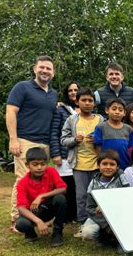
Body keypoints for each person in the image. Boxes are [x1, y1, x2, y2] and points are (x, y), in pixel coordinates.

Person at [6, 55, 58, 232]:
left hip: (45, 144)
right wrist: (13, 139)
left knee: (41, 180)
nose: (45, 71)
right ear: (34, 69)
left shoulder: (53, 93)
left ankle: (36, 216)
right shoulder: (22, 87)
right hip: (24, 140)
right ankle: (16, 219)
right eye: (41, 67)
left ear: (53, 72)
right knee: (23, 179)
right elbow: (11, 111)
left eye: (48, 68)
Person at [61, 88, 104, 235]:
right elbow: (63, 140)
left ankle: (99, 221)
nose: (87, 103)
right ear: (77, 102)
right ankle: (82, 222)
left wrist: (98, 140)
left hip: (98, 164)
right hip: (78, 164)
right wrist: (74, 140)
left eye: (90, 100)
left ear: (94, 103)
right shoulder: (72, 120)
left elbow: (107, 137)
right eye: (83, 100)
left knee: (98, 194)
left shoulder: (100, 119)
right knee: (81, 196)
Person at [15, 147, 67, 247]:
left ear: (47, 164)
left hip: (48, 209)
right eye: (35, 164)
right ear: (27, 165)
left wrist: (41, 196)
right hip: (33, 212)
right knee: (21, 224)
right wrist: (38, 221)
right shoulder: (22, 183)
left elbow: (63, 188)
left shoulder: (51, 171)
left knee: (60, 198)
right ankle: (30, 233)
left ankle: (57, 232)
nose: (39, 167)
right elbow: (21, 207)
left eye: (43, 164)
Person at [82, 151, 129, 250]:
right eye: (104, 164)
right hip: (100, 217)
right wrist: (106, 224)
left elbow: (127, 198)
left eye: (112, 164)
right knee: (87, 232)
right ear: (98, 165)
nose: (108, 167)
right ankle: (104, 238)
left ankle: (120, 240)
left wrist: (106, 205)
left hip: (118, 215)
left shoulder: (121, 178)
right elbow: (89, 208)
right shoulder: (93, 184)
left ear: (117, 167)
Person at [50, 81, 80, 223]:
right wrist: (55, 153)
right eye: (70, 90)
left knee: (78, 186)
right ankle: (66, 216)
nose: (73, 92)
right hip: (64, 154)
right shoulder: (61, 110)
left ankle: (76, 215)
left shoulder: (89, 109)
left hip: (82, 155)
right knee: (65, 186)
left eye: (76, 90)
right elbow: (55, 132)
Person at [93, 97, 133, 170]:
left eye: (120, 110)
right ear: (107, 110)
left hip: (125, 166)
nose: (117, 112)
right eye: (114, 109)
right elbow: (97, 148)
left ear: (124, 113)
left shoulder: (128, 129)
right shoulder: (100, 127)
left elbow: (131, 148)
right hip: (107, 166)